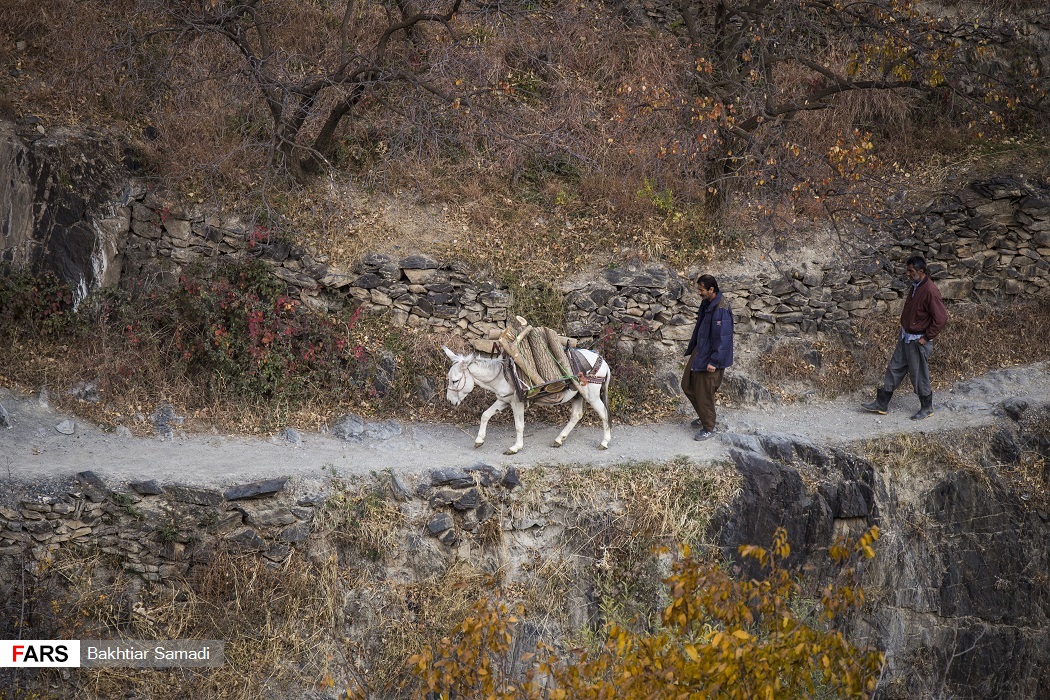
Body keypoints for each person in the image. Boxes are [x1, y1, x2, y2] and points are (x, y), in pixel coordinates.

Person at [861, 255, 948, 420]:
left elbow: (941, 318)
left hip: (918, 340)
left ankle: (927, 408)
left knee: (919, 374)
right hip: (906, 336)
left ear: (921, 271)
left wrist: (926, 337)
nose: (907, 274)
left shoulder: (930, 290)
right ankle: (882, 403)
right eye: (908, 270)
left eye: (911, 271)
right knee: (894, 367)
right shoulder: (916, 286)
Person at [682, 274, 734, 441]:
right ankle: (704, 416)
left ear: (712, 290)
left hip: (712, 355)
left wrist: (714, 361)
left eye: (701, 289)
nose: (698, 293)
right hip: (701, 350)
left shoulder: (720, 309)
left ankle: (708, 427)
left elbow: (724, 338)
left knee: (704, 391)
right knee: (687, 384)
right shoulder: (707, 303)